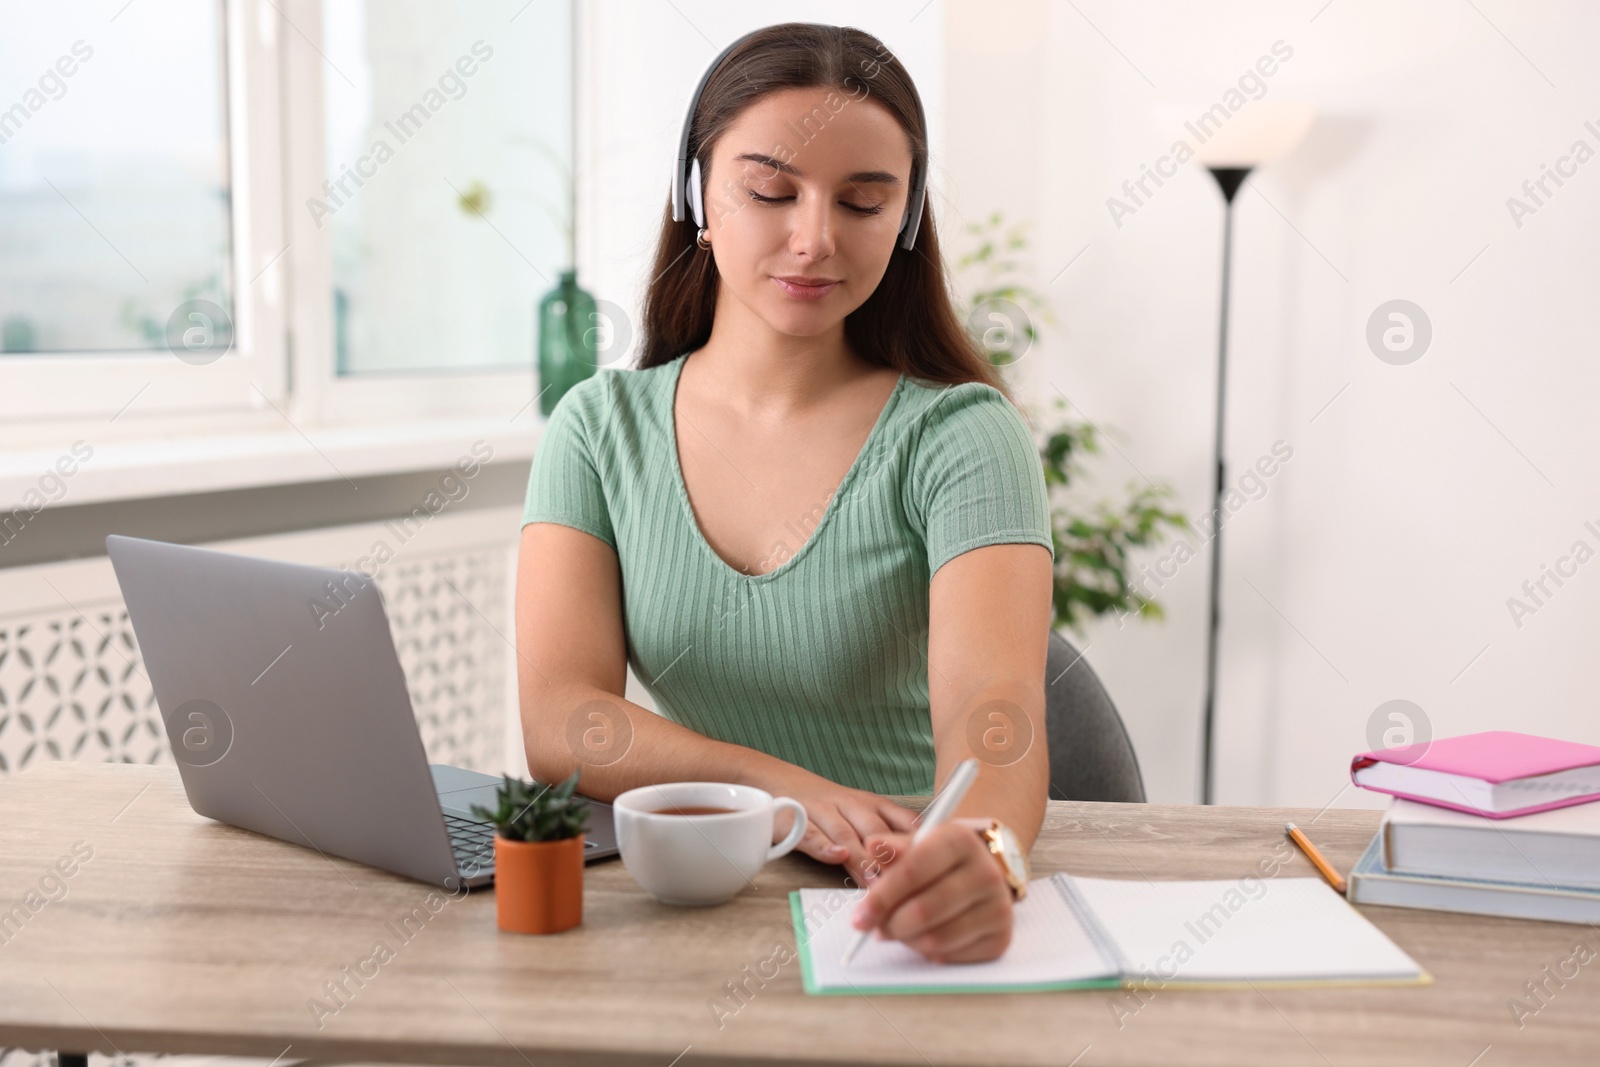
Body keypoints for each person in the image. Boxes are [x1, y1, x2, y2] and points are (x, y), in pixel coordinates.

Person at [517, 22, 1053, 964]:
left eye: (863, 202)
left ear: (908, 219)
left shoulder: (963, 437)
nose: (814, 239)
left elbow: (994, 711)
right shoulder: (599, 429)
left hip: (892, 900)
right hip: (700, 902)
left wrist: (980, 851)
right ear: (698, 198)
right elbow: (562, 716)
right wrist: (783, 791)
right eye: (770, 191)